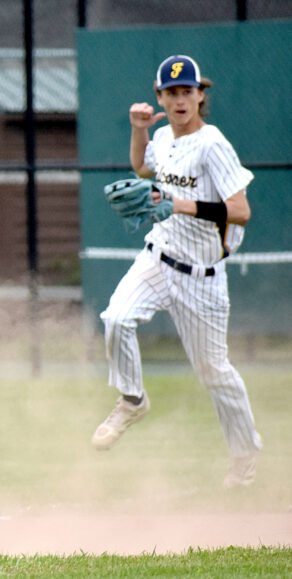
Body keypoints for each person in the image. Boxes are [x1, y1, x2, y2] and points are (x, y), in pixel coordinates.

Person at [93, 55, 262, 487]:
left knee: (214, 373)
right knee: (117, 318)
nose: (180, 99)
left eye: (187, 91)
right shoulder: (164, 136)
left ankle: (244, 455)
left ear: (201, 95)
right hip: (159, 255)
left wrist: (177, 203)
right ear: (160, 97)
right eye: (171, 92)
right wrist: (138, 130)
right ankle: (132, 399)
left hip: (201, 276)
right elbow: (142, 168)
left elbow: (241, 210)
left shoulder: (212, 144)